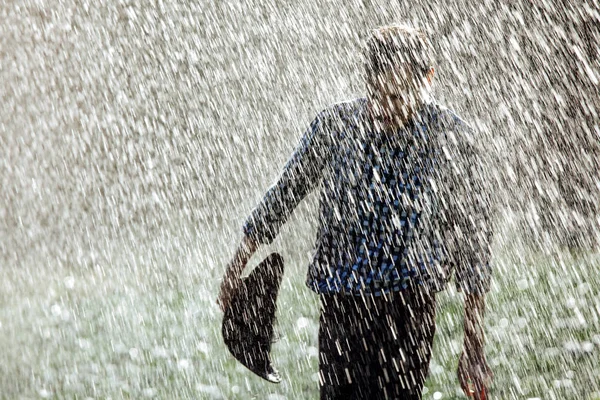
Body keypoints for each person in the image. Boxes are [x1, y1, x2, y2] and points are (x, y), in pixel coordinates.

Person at [218, 24, 495, 400]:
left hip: (408, 309)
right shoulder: (336, 128)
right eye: (377, 95)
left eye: (397, 98)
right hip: (342, 308)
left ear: (427, 80)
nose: (384, 108)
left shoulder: (450, 139)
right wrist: (237, 265)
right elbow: (283, 195)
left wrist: (473, 345)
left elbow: (473, 245)